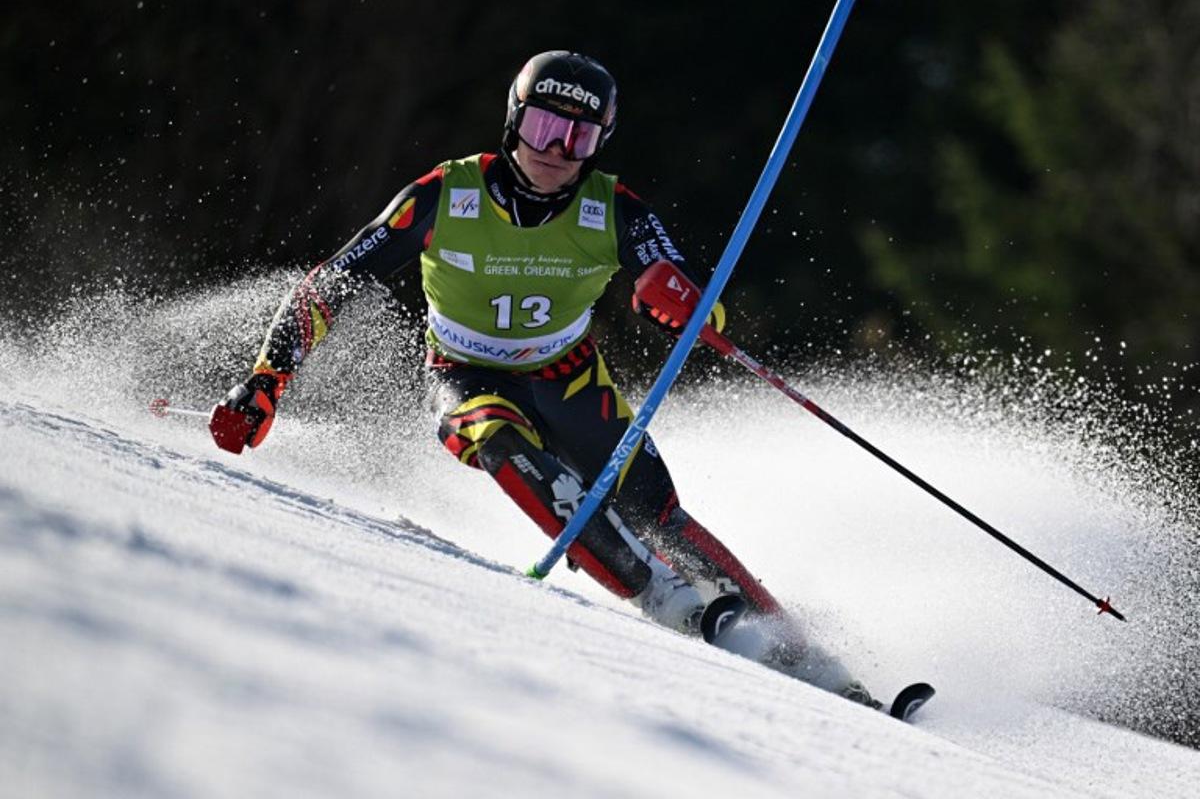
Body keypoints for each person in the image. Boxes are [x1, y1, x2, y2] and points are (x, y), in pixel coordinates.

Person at [212, 50, 878, 707]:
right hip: (465, 374)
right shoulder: (444, 195)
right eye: (541, 127)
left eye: (578, 136)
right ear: (513, 121)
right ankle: (656, 593)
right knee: (498, 438)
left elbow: (697, 302)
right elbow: (335, 280)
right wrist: (268, 378)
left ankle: (803, 653)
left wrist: (679, 304)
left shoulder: (613, 209)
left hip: (569, 378)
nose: (556, 149)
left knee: (655, 509)